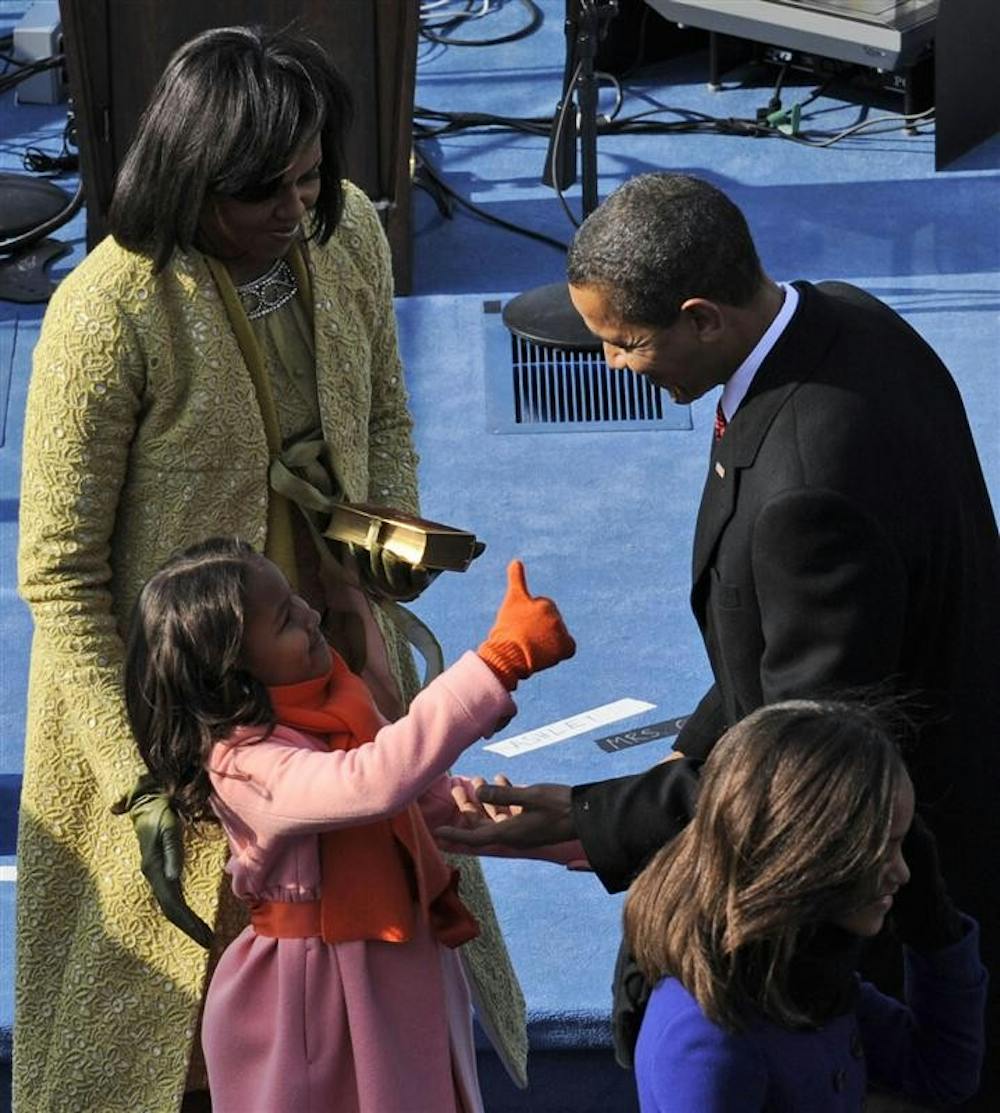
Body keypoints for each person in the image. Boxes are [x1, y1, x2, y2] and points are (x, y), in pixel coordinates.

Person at [14, 24, 525, 1112]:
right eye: (266, 193)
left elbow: (383, 414)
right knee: (178, 1025)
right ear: (193, 181)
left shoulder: (346, 240)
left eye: (309, 177)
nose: (297, 210)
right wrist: (139, 780)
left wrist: (378, 560)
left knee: (361, 944)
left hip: (331, 660)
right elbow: (58, 574)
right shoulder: (106, 310)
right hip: (176, 716)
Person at [435, 173, 1000, 1106]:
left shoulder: (809, 491)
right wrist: (657, 768)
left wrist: (588, 819)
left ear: (702, 318)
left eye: (623, 343)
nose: (612, 366)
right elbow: (766, 655)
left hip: (883, 926)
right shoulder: (847, 323)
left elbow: (803, 767)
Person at [123, 541, 576, 1113]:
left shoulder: (335, 711)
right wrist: (498, 661)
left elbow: (428, 806)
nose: (311, 617)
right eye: (287, 619)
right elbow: (374, 782)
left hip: (394, 973)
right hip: (313, 1007)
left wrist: (582, 832)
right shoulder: (243, 766)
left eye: (296, 601)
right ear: (231, 672)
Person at [624, 699, 987, 1113]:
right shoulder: (708, 1042)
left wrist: (932, 924)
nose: (903, 873)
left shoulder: (798, 971)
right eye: (881, 849)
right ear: (805, 853)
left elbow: (941, 1074)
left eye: (905, 845)